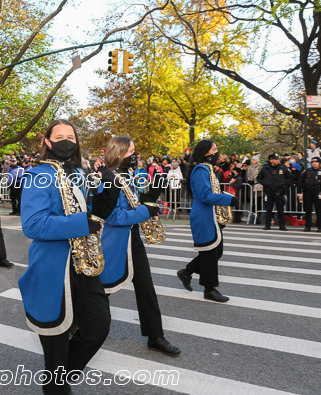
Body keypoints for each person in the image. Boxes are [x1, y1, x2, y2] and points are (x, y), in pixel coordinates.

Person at [19, 119, 110, 395]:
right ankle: (56, 385)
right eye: (58, 137)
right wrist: (80, 224)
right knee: (56, 344)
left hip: (84, 264)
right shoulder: (37, 175)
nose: (66, 141)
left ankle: (55, 381)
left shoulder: (79, 172)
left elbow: (91, 209)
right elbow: (33, 225)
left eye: (70, 136)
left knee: (98, 328)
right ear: (47, 142)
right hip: (53, 269)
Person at [94, 136, 180, 356]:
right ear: (119, 153)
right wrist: (145, 211)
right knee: (103, 289)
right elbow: (112, 216)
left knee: (146, 289)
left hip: (133, 240)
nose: (136, 155)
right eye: (131, 152)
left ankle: (155, 336)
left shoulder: (128, 176)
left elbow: (133, 204)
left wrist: (151, 196)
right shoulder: (109, 178)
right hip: (115, 243)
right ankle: (78, 324)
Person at [175, 140, 238, 302]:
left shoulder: (206, 168)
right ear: (206, 153)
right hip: (203, 215)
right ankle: (209, 289)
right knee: (210, 252)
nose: (217, 152)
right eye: (214, 149)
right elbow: (205, 196)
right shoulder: (201, 170)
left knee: (216, 251)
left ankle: (187, 272)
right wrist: (229, 199)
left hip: (210, 214)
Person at [298, 157, 321, 232]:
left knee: (318, 210)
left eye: (316, 162)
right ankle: (307, 226)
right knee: (308, 210)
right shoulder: (307, 171)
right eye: (313, 162)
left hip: (318, 191)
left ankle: (320, 227)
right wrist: (300, 190)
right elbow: (300, 180)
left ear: (319, 163)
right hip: (308, 191)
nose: (314, 164)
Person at [257, 154, 292, 231]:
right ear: (271, 160)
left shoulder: (283, 168)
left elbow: (290, 177)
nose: (277, 160)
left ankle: (282, 225)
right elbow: (259, 178)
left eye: (277, 159)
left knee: (280, 209)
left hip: (279, 191)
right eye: (275, 159)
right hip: (269, 191)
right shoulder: (265, 168)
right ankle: (267, 225)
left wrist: (283, 183)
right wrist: (265, 183)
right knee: (268, 209)